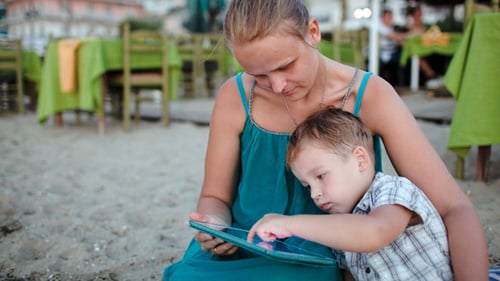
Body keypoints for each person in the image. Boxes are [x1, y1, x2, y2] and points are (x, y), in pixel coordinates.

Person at [163, 1, 488, 280]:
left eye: (286, 65)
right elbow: (214, 197)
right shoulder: (235, 96)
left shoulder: (370, 96)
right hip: (244, 243)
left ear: (313, 33)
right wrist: (216, 225)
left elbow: (454, 207)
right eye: (258, 75)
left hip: (316, 254)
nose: (276, 86)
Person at [248, 107, 453, 280]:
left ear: (360, 160)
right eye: (307, 186)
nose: (314, 194)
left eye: (320, 176)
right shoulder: (342, 225)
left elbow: (375, 232)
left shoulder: (394, 190)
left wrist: (289, 224)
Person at [378, 9, 406, 86]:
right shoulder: (380, 27)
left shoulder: (390, 28)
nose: (390, 19)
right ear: (383, 17)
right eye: (389, 17)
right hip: (384, 53)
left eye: (391, 17)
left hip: (392, 51)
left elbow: (397, 40)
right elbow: (394, 37)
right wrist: (411, 34)